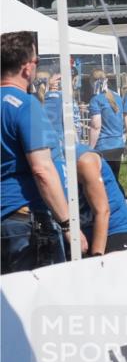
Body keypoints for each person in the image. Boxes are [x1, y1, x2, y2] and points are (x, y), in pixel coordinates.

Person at [1, 31, 83, 271]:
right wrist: (68, 224)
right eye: (36, 61)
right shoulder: (26, 105)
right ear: (27, 68)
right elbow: (42, 170)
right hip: (25, 220)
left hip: (9, 219)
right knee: (40, 292)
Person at [75, 145, 127, 255]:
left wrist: (98, 258)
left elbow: (102, 211)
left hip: (113, 228)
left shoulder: (84, 160)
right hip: (82, 227)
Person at [87, 69, 126, 188]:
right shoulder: (117, 97)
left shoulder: (96, 99)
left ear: (92, 82)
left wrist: (90, 148)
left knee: (104, 182)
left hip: (104, 145)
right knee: (114, 178)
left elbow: (96, 126)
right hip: (118, 144)